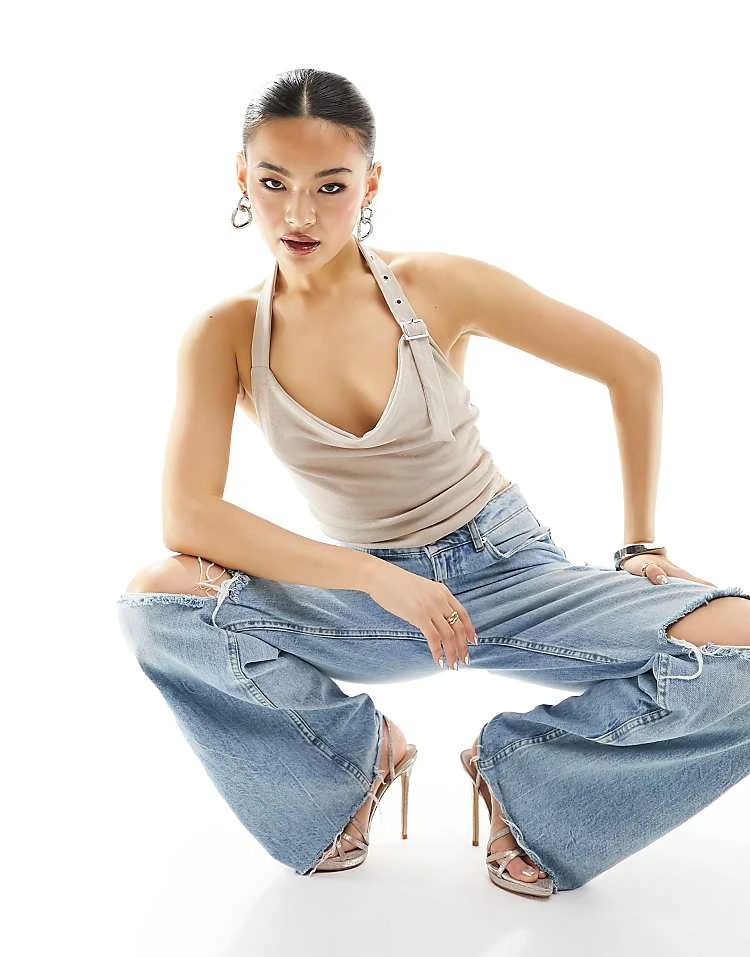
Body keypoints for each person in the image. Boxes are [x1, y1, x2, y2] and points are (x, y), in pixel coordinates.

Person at [116, 67, 750, 897]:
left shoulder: (435, 287)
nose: (299, 214)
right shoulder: (226, 333)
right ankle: (354, 755)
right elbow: (190, 515)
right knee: (159, 600)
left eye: (330, 186)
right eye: (274, 183)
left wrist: (639, 545)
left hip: (509, 569)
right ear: (242, 178)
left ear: (370, 185)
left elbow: (634, 368)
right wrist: (373, 576)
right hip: (367, 594)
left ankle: (528, 779)